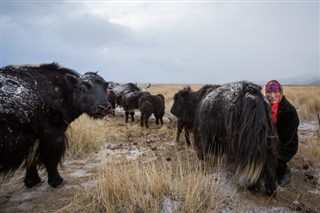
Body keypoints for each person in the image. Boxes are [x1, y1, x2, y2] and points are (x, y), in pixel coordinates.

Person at [265, 80, 299, 187]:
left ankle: (284, 171)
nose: (272, 96)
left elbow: (285, 138)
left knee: (269, 162)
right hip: (269, 140)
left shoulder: (288, 111)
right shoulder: (265, 107)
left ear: (281, 92)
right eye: (269, 92)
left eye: (276, 92)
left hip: (285, 145)